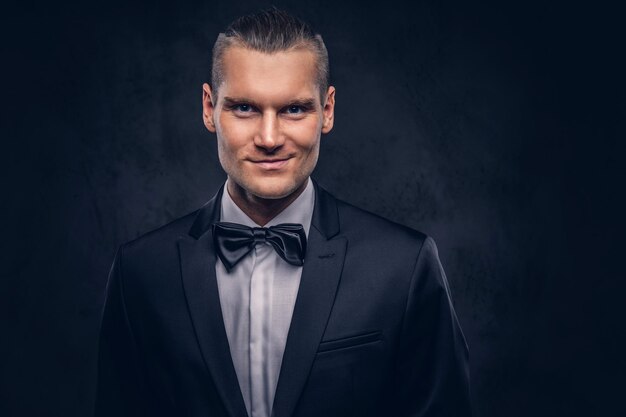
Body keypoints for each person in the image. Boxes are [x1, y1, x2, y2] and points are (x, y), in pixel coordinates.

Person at [95, 8, 471, 417]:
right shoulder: (140, 272)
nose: (269, 138)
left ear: (327, 111)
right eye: (244, 108)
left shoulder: (405, 266)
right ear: (208, 108)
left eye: (293, 109)